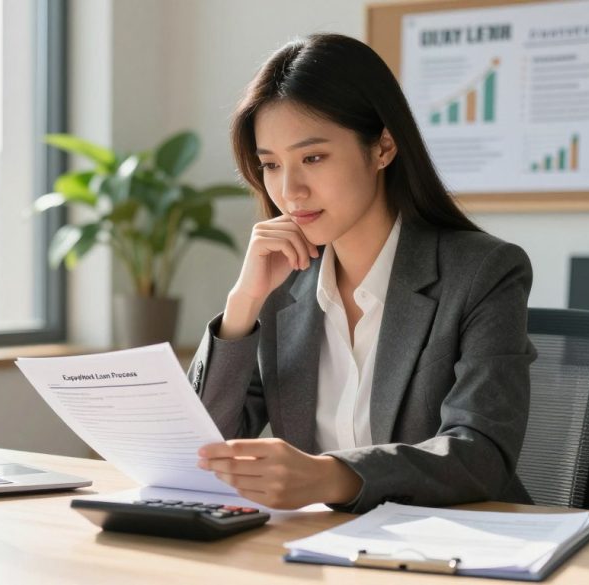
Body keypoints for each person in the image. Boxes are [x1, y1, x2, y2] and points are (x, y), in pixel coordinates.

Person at [190, 33, 536, 513]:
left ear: (383, 148)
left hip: (457, 544)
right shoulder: (281, 281)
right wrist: (242, 305)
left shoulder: (482, 272)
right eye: (270, 165)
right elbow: (203, 448)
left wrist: (331, 476)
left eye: (313, 158)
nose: (290, 191)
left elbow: (480, 454)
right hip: (321, 548)